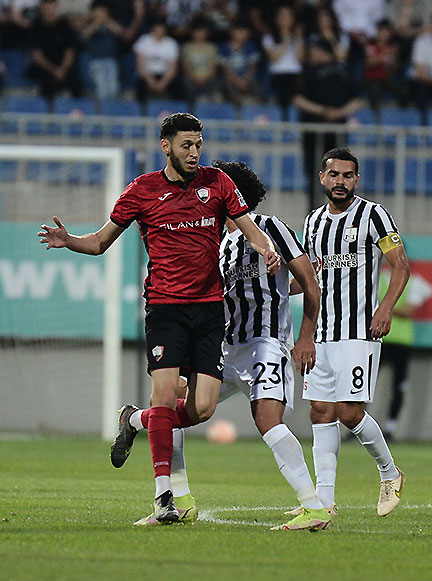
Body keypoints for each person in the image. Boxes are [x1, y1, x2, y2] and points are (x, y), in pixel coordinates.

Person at [38, 113, 281, 524]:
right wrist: (69, 241)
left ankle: (134, 420)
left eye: (198, 144)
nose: (194, 152)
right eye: (186, 145)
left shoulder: (218, 183)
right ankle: (163, 496)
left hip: (210, 309)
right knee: (165, 397)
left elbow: (249, 228)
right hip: (165, 309)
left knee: (202, 409)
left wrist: (266, 248)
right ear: (166, 146)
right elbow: (99, 242)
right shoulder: (142, 190)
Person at [110, 160, 332, 531]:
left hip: (265, 342)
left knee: (267, 420)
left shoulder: (270, 228)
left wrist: (305, 335)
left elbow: (308, 282)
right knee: (174, 402)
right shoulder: (217, 243)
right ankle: (178, 496)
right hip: (227, 347)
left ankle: (313, 507)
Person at [300, 147, 410, 517]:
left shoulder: (373, 215)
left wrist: (385, 307)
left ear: (356, 179)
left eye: (347, 176)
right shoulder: (313, 222)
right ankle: (324, 501)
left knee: (348, 413)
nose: (340, 182)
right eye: (334, 175)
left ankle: (390, 473)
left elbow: (400, 266)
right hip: (323, 333)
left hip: (358, 332)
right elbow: (310, 278)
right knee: (320, 412)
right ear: (322, 177)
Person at [293, 39, 363, 214]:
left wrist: (335, 113)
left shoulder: (342, 74)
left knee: (337, 175)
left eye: (316, 51)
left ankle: (338, 212)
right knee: (316, 174)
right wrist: (327, 112)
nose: (313, 55)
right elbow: (298, 99)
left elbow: (357, 100)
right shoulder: (309, 73)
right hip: (314, 132)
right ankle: (317, 212)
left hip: (333, 133)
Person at [378, 265, 432, 440]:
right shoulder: (377, 278)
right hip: (378, 339)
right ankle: (356, 424)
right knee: (365, 385)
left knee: (399, 386)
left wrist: (383, 307)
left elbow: (409, 310)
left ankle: (390, 427)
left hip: (401, 342)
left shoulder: (413, 282)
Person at [26, 0, 84, 101]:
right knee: (47, 84)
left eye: (52, 7)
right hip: (45, 67)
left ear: (56, 8)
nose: (49, 10)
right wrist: (54, 70)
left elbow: (70, 51)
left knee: (76, 84)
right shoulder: (36, 26)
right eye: (46, 7)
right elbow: (37, 55)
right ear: (42, 8)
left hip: (64, 66)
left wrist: (63, 69)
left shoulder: (64, 25)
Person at [132, 17, 182, 104]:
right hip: (147, 75)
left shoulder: (171, 43)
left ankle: (176, 110)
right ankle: (141, 110)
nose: (159, 31)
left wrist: (163, 83)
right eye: (157, 28)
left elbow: (172, 68)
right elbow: (140, 65)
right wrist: (150, 81)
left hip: (165, 76)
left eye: (161, 29)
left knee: (179, 88)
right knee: (139, 87)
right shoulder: (144, 40)